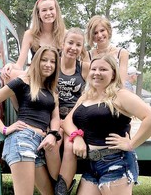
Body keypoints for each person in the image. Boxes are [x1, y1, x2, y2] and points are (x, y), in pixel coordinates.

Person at [61, 53, 151, 195]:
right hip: (92, 164)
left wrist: (131, 144)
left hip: (115, 162)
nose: (97, 73)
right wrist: (77, 137)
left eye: (103, 69)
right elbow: (67, 122)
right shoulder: (86, 96)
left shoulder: (120, 95)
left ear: (113, 74)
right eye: (93, 69)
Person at [0, 46, 61, 195]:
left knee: (49, 192)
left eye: (52, 61)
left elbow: (55, 117)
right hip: (22, 140)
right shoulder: (23, 81)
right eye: (44, 60)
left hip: (39, 143)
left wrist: (53, 134)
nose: (48, 64)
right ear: (36, 61)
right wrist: (4, 129)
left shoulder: (52, 89)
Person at [46, 27, 90, 195]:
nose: (73, 47)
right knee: (53, 145)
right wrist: (10, 71)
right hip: (53, 116)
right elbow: (31, 74)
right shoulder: (51, 64)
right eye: (70, 43)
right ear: (62, 44)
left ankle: (61, 190)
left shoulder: (84, 68)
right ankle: (61, 184)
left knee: (70, 146)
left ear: (82, 48)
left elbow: (92, 91)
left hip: (74, 118)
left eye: (78, 45)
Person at [1, 0, 66, 80]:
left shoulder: (66, 34)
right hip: (36, 77)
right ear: (38, 14)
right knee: (9, 74)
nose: (48, 13)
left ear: (56, 11)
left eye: (51, 9)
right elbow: (19, 65)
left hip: (58, 77)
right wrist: (10, 66)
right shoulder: (30, 34)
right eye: (44, 10)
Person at [86, 15, 129, 84]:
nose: (99, 35)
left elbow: (122, 83)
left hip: (115, 93)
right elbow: (88, 81)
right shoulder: (87, 55)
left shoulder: (122, 53)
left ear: (108, 31)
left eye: (102, 30)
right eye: (95, 33)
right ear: (91, 36)